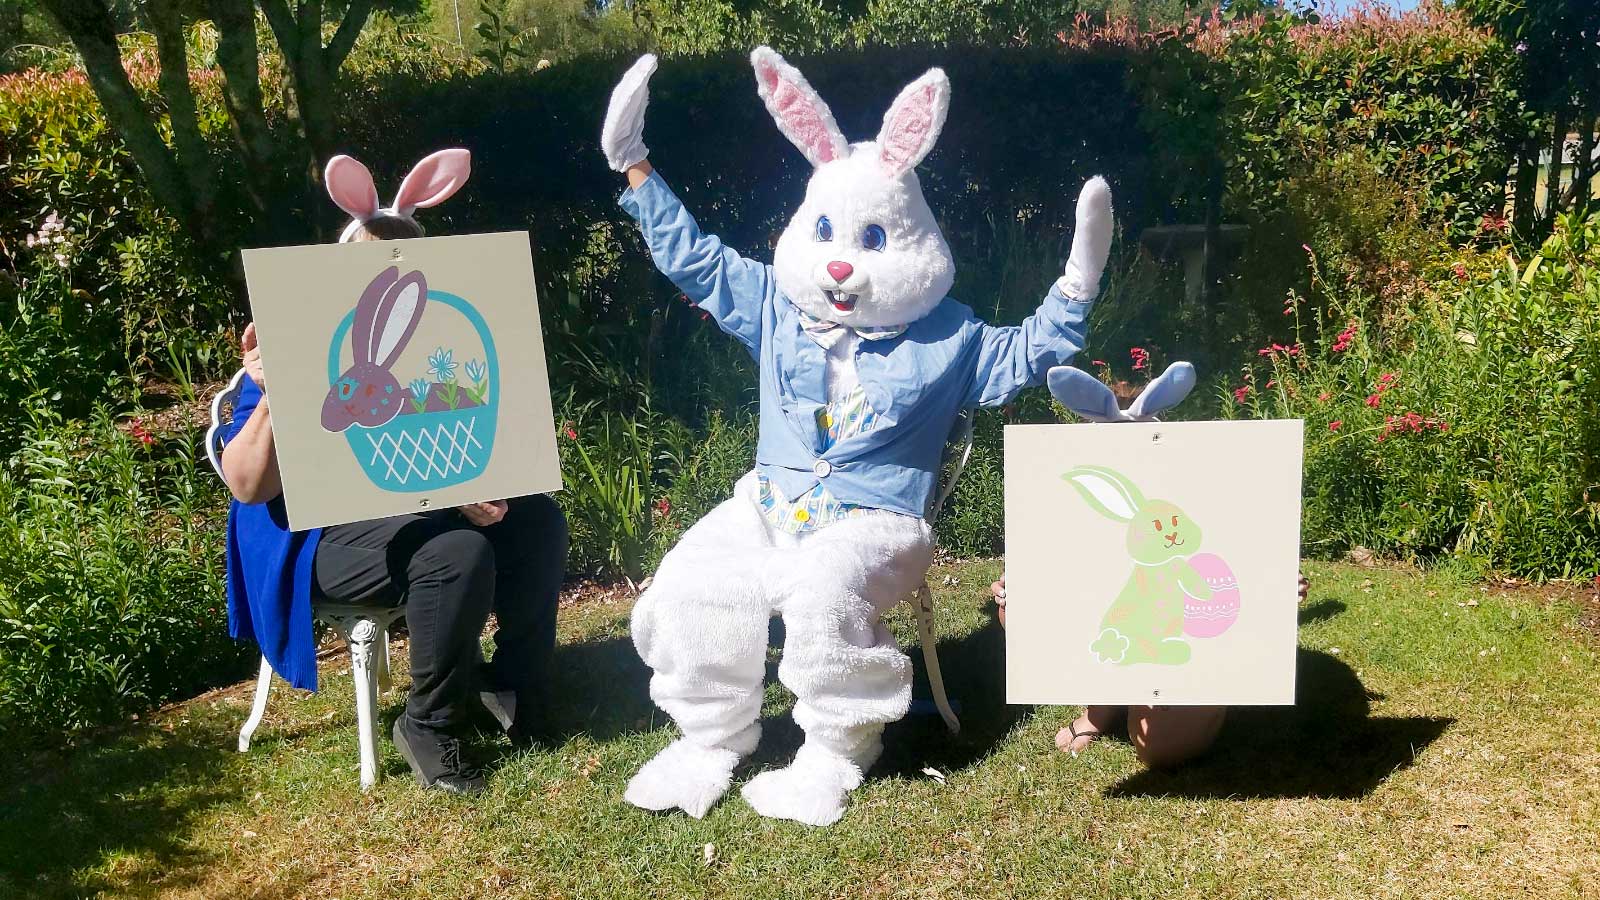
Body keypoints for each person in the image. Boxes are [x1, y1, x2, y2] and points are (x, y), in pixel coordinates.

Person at [221, 152, 567, 794]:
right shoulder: (296, 332)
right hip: (314, 538)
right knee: (454, 553)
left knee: (536, 519)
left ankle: (514, 683)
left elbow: (425, 453)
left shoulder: (432, 337)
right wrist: (278, 389)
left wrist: (475, 487)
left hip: (405, 515)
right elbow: (248, 486)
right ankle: (429, 723)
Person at [990, 573, 1309, 767]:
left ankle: (1206, 685)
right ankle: (1102, 709)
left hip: (1193, 617)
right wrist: (1020, 589)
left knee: (1161, 744)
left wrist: (1271, 587)